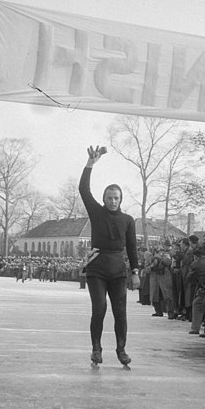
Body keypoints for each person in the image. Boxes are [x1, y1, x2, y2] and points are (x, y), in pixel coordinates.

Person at [79, 145, 140, 367]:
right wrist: (90, 164)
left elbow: (132, 248)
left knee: (120, 312)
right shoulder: (96, 213)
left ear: (120, 199)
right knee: (99, 308)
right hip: (97, 268)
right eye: (109, 197)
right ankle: (96, 348)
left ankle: (121, 350)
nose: (112, 201)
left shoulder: (128, 220)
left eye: (116, 198)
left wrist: (135, 272)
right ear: (104, 198)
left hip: (117, 270)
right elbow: (84, 190)